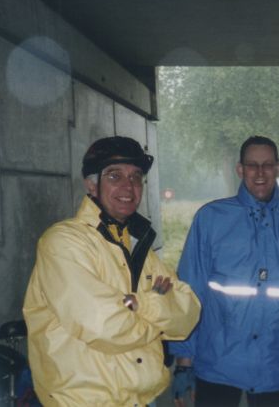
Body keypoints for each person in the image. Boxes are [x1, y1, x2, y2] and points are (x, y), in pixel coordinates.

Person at [23, 136, 201, 406]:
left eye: (136, 177)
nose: (128, 186)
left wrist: (139, 304)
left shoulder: (136, 246)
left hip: (144, 400)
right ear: (91, 184)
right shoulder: (63, 243)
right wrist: (160, 310)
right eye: (114, 176)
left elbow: (188, 314)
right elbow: (107, 327)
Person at [170, 136, 279, 407]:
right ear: (240, 169)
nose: (260, 173)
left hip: (274, 367)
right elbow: (190, 294)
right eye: (252, 165)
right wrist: (183, 362)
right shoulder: (211, 219)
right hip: (217, 366)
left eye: (267, 165)